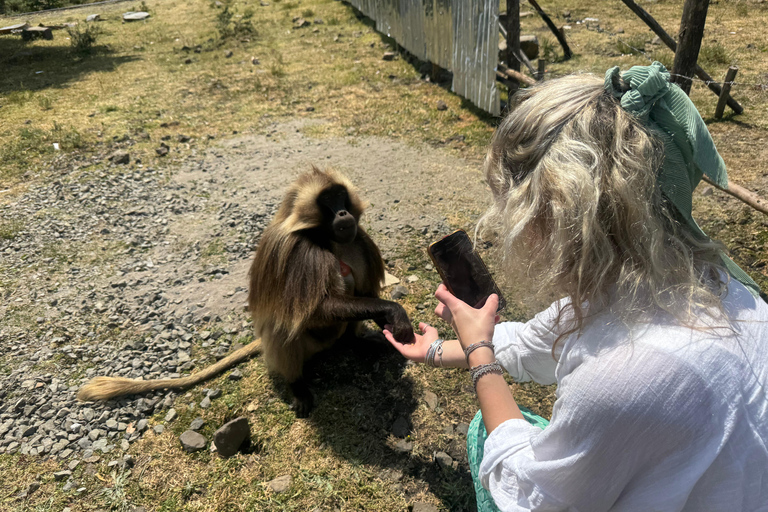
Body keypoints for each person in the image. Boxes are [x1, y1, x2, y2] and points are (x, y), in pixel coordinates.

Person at [384, 62, 768, 511]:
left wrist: (480, 358)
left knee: (485, 435)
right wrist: (442, 348)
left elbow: (532, 497)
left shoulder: (620, 382)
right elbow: (534, 341)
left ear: (550, 216)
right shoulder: (707, 283)